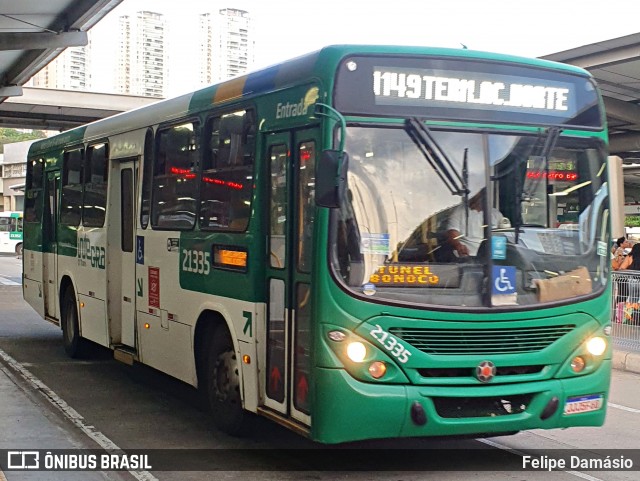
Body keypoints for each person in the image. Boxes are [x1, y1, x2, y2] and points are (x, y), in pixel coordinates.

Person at [442, 188, 507, 257]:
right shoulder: (458, 212)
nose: (478, 198)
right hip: (467, 257)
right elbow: (452, 233)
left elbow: (502, 236)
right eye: (476, 195)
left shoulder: (496, 214)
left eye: (481, 195)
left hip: (490, 258)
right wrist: (458, 246)